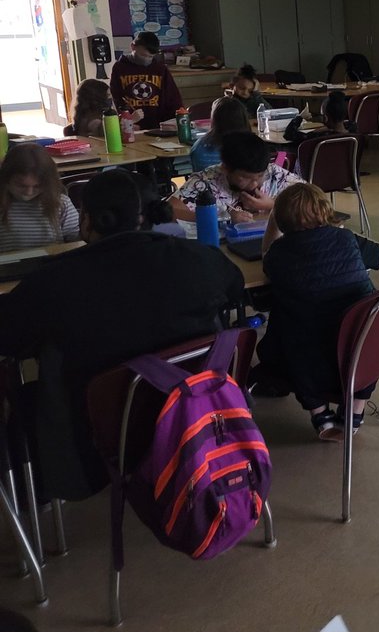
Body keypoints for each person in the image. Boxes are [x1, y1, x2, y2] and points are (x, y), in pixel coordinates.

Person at [0, 168, 244, 499]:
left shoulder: (50, 285)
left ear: (86, 220)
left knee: (21, 401)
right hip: (193, 417)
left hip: (91, 441)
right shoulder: (200, 261)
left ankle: (38, 514)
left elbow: (9, 337)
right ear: (147, 216)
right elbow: (235, 290)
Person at [258, 183, 379, 439]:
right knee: (363, 332)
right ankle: (355, 411)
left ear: (281, 221)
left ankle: (320, 413)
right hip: (366, 353)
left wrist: (272, 225)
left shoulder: (278, 254)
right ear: (325, 211)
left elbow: (266, 258)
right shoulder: (345, 239)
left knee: (292, 332)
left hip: (310, 360)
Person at [174, 130, 302, 224]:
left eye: (260, 176)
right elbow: (170, 210)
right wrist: (223, 218)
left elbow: (316, 199)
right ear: (225, 168)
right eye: (245, 177)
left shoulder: (273, 173)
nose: (254, 184)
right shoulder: (206, 181)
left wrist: (272, 204)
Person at [0, 143, 80, 252]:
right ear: (6, 179)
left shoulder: (60, 203)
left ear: (48, 183)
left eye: (37, 186)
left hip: (51, 265)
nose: (29, 192)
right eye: (21, 185)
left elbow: (76, 240)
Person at [108, 31, 183, 129]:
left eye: (151, 57)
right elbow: (116, 97)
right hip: (131, 124)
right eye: (143, 55)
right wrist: (126, 120)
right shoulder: (119, 67)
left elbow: (172, 97)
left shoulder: (160, 68)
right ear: (133, 47)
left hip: (158, 124)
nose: (147, 59)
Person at [188, 96, 252, 171]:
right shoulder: (252, 147)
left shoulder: (198, 147)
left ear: (214, 119)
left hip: (204, 182)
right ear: (244, 119)